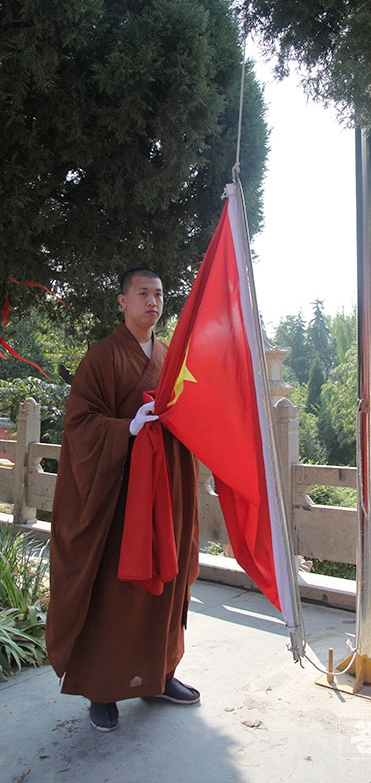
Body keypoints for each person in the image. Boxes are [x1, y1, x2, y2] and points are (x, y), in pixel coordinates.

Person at [46, 268, 200, 732]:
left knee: (163, 588)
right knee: (115, 592)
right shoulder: (102, 358)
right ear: (122, 301)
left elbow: (185, 409)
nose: (152, 302)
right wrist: (125, 429)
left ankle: (158, 674)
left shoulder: (169, 355)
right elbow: (78, 425)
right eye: (142, 294)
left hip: (163, 493)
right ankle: (102, 689)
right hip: (117, 496)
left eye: (158, 294)